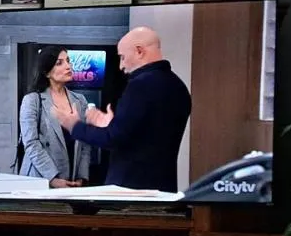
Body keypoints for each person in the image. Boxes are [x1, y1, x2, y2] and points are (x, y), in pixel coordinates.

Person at [60, 26, 192, 192]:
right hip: (163, 190)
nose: (121, 66)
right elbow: (144, 136)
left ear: (139, 51)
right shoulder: (179, 87)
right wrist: (111, 125)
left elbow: (113, 139)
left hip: (130, 191)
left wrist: (74, 126)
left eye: (122, 57)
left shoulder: (140, 85)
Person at [17, 46, 92, 188]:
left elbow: (85, 143)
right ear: (46, 72)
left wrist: (82, 177)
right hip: (39, 181)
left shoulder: (80, 100)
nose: (68, 66)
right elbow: (31, 143)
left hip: (72, 181)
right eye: (59, 63)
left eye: (68, 61)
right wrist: (52, 178)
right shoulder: (32, 100)